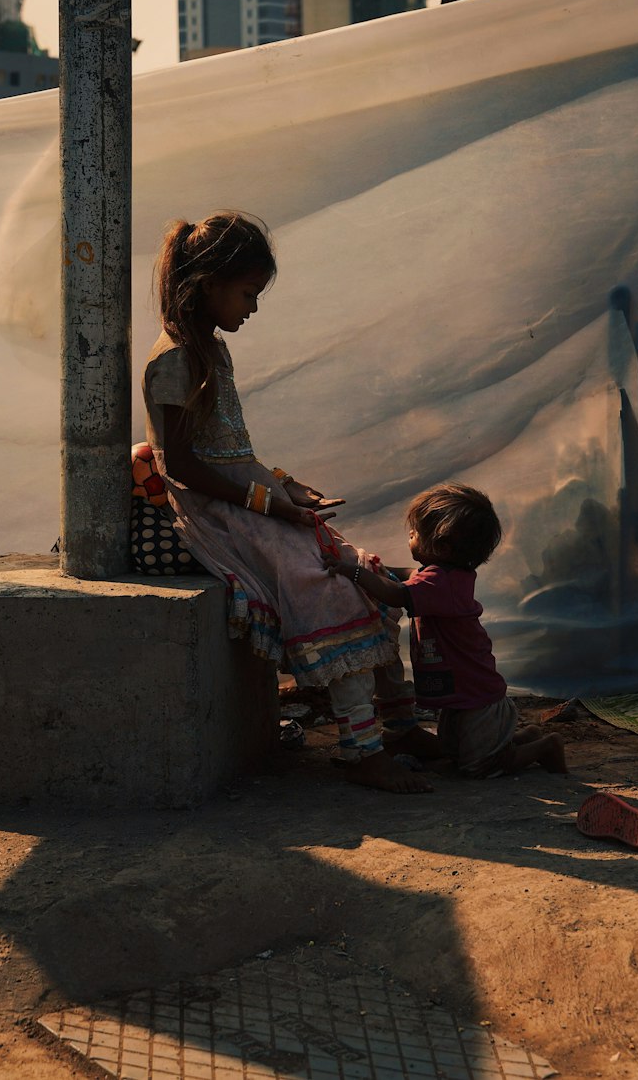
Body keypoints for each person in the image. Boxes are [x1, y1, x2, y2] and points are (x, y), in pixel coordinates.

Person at [141, 211, 440, 793]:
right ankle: (363, 752)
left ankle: (399, 726)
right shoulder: (172, 360)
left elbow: (229, 444)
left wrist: (286, 483)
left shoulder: (210, 350)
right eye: (248, 293)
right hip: (218, 515)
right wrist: (271, 503)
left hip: (250, 499)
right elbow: (182, 465)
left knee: (364, 573)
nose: (252, 308)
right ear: (208, 284)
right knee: (328, 591)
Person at [324, 482, 567, 778]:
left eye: (414, 533)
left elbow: (397, 594)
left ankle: (544, 747)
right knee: (459, 751)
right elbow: (407, 577)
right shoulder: (444, 575)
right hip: (465, 692)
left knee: (479, 766)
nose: (410, 537)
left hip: (476, 697)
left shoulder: (440, 584)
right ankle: (522, 738)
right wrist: (380, 570)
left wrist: (356, 572)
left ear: (441, 547)